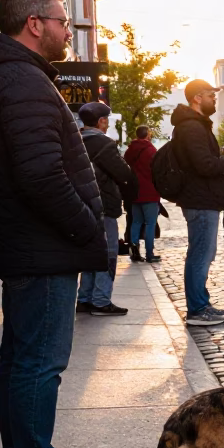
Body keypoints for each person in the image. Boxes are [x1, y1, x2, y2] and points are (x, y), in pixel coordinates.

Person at [0, 0, 107, 448]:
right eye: (61, 21)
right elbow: (41, 175)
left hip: (27, 241)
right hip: (42, 244)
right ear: (35, 25)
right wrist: (85, 227)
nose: (68, 32)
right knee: (38, 362)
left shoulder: (5, 75)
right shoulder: (21, 81)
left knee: (21, 358)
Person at [171, 79, 224, 326]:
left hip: (203, 198)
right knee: (200, 254)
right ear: (197, 98)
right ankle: (197, 309)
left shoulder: (195, 125)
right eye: (211, 95)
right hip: (200, 199)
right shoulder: (191, 127)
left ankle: (201, 303)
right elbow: (203, 164)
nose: (214, 99)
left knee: (203, 253)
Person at [77, 101, 137, 316]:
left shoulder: (74, 142)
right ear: (102, 121)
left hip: (81, 206)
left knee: (90, 253)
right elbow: (124, 174)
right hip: (103, 205)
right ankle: (101, 300)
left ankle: (84, 298)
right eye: (107, 121)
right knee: (107, 254)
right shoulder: (104, 144)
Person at [125, 124, 162, 263]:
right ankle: (149, 253)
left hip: (135, 192)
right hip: (150, 192)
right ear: (148, 135)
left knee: (136, 222)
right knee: (150, 223)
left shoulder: (130, 150)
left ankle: (134, 251)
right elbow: (157, 171)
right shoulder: (151, 150)